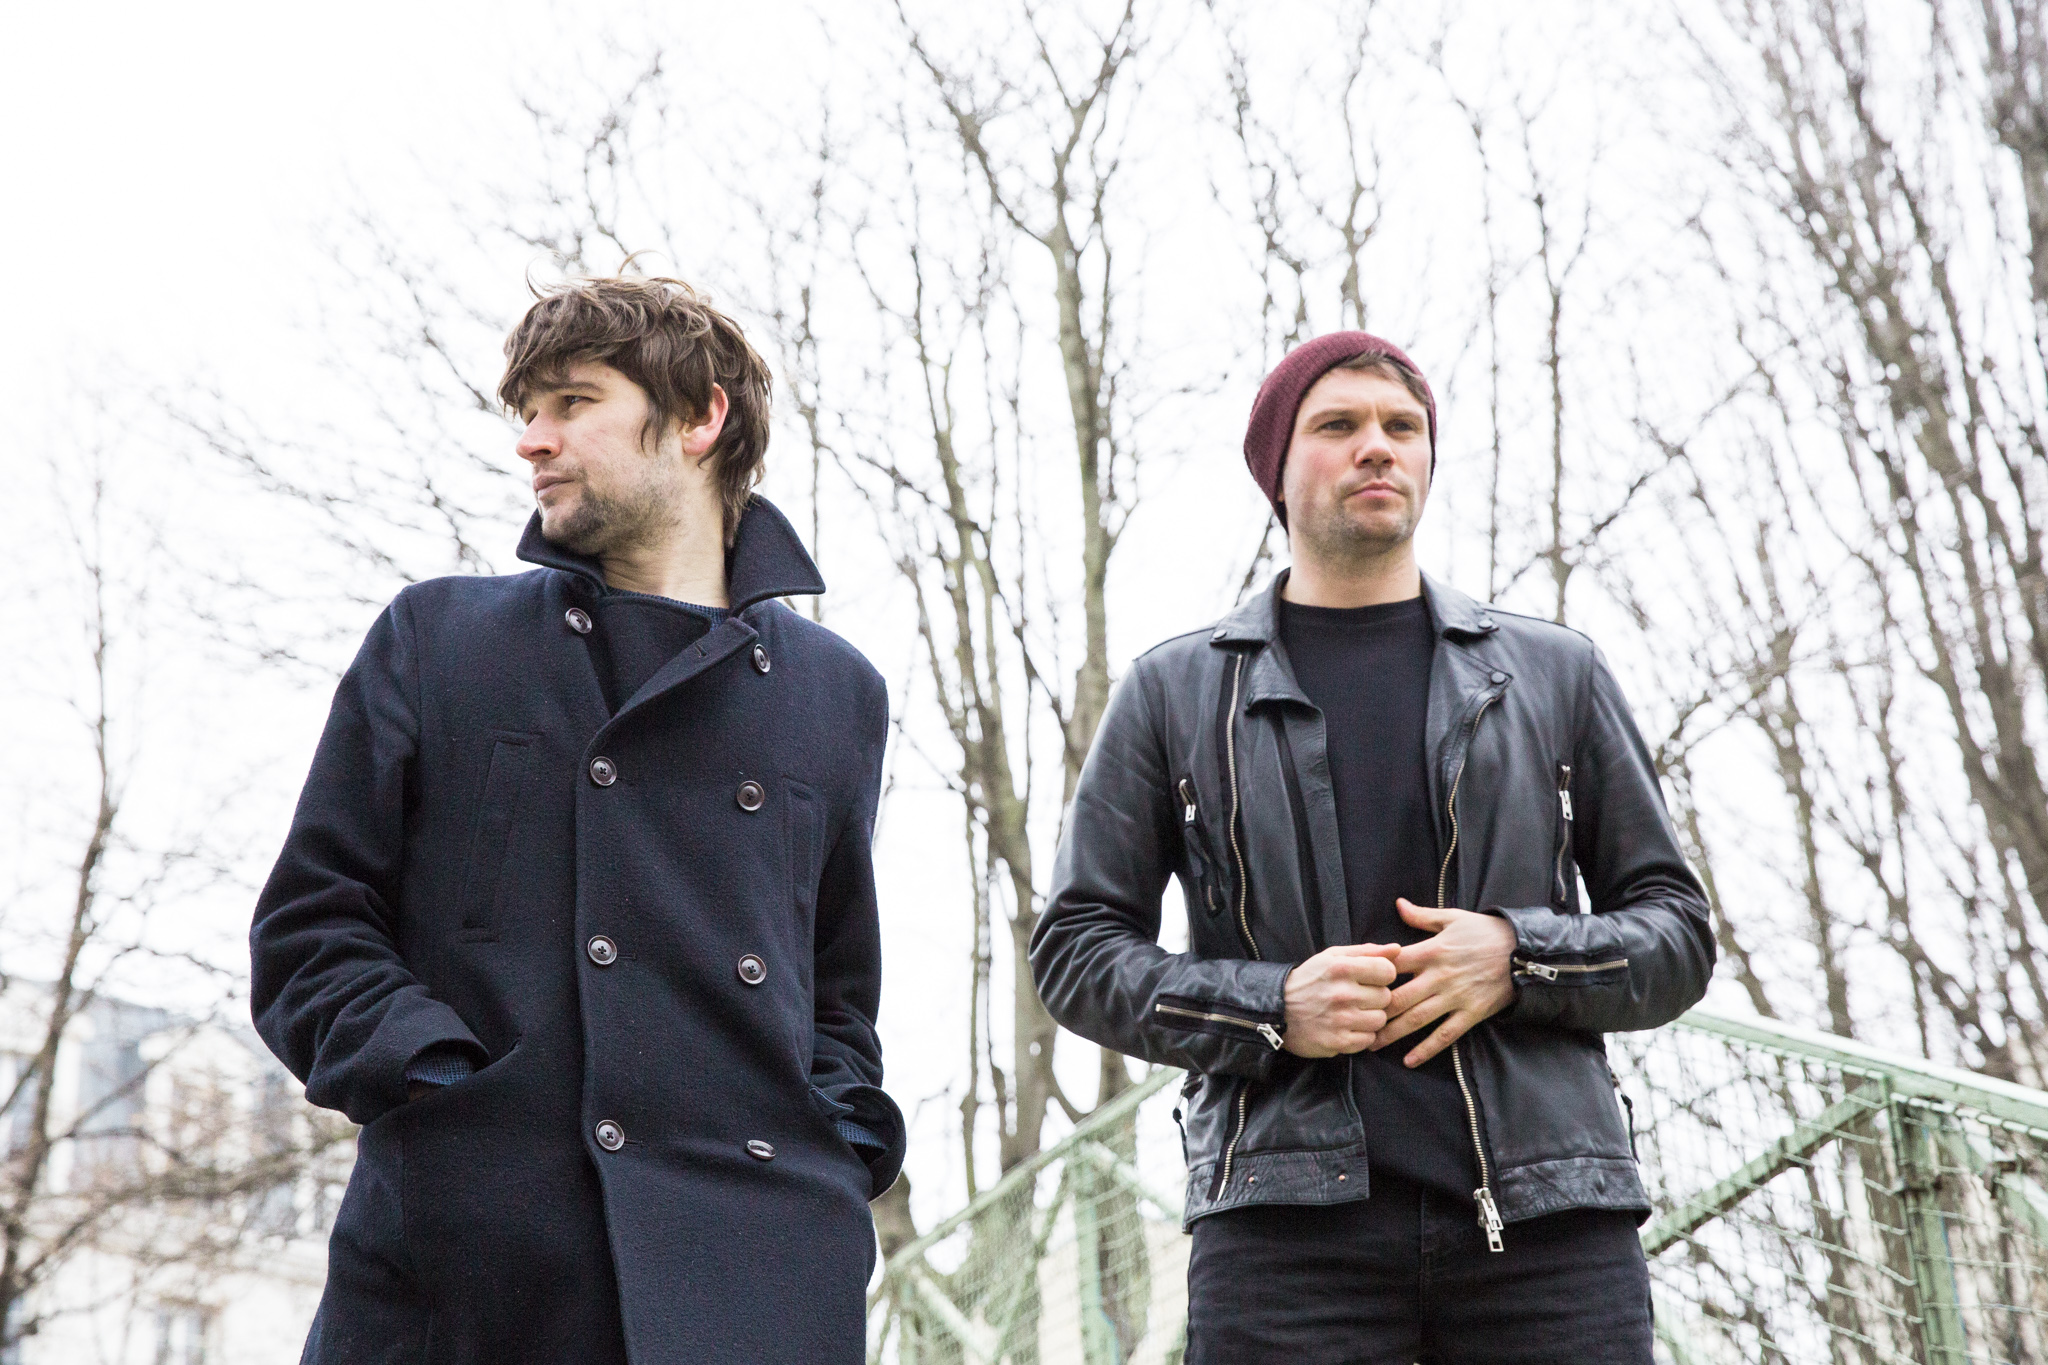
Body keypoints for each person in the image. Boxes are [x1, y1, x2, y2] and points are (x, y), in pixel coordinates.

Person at [251, 276, 903, 1365]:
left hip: (755, 1273)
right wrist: (446, 1089)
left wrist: (840, 1140)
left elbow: (833, 992)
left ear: (701, 416)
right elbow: (309, 933)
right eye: (526, 413)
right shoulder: (440, 639)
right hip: (473, 1271)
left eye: (571, 403)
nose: (533, 442)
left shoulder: (835, 693)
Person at [1031, 331, 1714, 1363]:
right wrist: (1272, 1011)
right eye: (1337, 426)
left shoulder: (1552, 673)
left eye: (1402, 428)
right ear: (1277, 467)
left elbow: (1674, 934)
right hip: (1280, 1236)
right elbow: (1075, 951)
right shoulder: (1172, 694)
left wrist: (1515, 956)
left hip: (1547, 1225)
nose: (1377, 449)